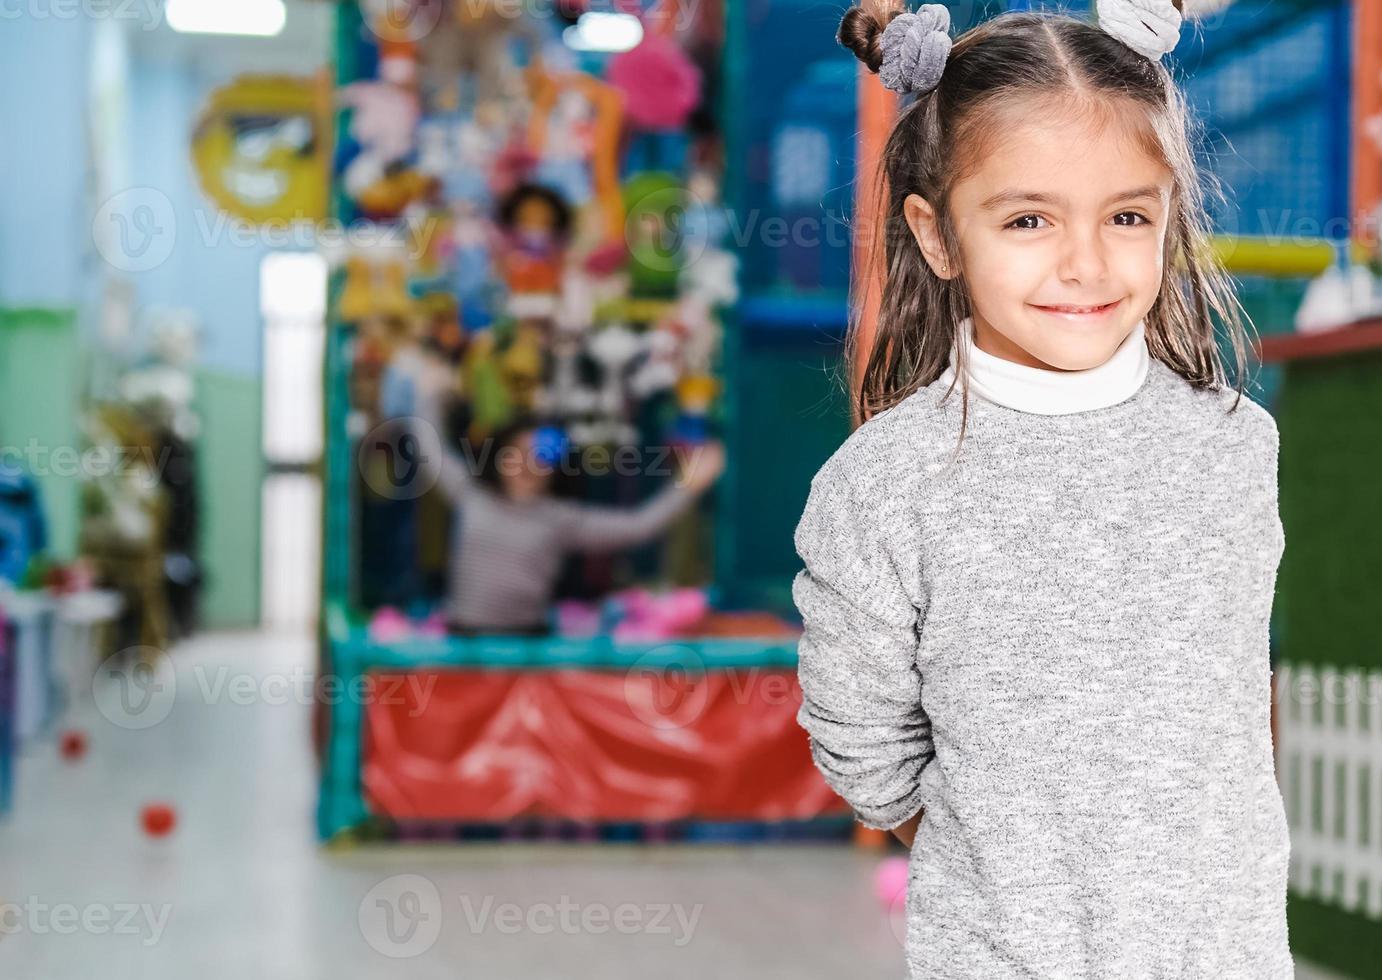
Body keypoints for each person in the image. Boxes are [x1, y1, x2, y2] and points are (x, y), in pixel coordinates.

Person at [791, 2, 1289, 977]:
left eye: (1125, 215)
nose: (1084, 262)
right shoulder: (883, 484)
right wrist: (1010, 870)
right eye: (1027, 217)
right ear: (937, 236)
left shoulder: (1232, 445)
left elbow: (1223, 704)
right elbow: (863, 744)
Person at [410, 358, 725, 635]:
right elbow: (428, 448)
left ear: (554, 469)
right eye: (515, 454)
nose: (525, 465)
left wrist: (689, 485)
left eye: (538, 457)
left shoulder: (561, 519)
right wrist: (432, 393)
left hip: (526, 648)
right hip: (463, 642)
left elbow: (638, 525)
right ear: (498, 459)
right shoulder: (471, 494)